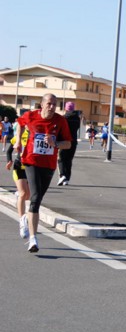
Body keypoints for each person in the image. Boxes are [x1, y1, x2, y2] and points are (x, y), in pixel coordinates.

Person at [14, 93, 72, 253]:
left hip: (49, 165)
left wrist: (55, 143)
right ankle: (33, 239)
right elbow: (20, 123)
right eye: (49, 104)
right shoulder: (31, 116)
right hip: (31, 161)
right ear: (42, 104)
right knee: (35, 197)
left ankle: (27, 217)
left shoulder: (60, 121)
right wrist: (18, 141)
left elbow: (67, 144)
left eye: (55, 104)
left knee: (38, 198)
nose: (52, 107)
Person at [5, 128, 30, 238]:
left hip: (31, 168)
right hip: (19, 166)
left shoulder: (37, 135)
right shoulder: (20, 135)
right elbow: (9, 150)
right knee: (23, 194)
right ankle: (22, 222)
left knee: (27, 196)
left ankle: (18, 194)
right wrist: (9, 161)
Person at [57, 101, 81, 186]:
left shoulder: (64, 118)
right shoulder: (77, 118)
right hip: (73, 141)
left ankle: (62, 175)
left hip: (64, 141)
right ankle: (67, 178)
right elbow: (77, 128)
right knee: (69, 160)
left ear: (65, 108)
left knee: (61, 159)